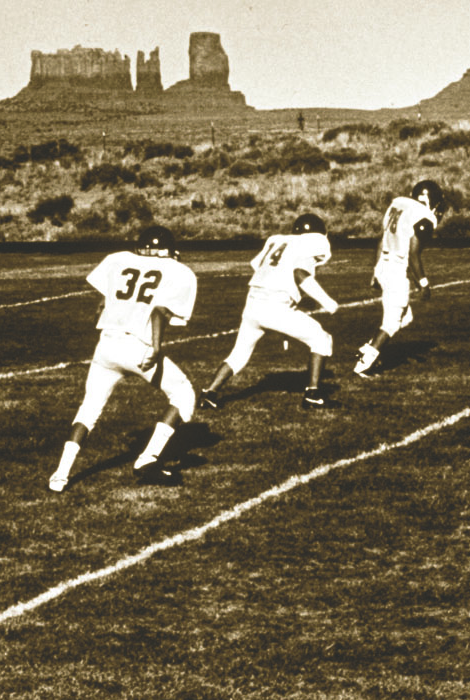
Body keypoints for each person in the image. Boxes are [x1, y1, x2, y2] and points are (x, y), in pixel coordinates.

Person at [48, 224, 200, 492]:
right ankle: (148, 458)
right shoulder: (177, 270)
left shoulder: (118, 260)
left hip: (106, 344)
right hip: (137, 346)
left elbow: (101, 306)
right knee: (184, 394)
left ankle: (60, 475)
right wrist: (155, 348)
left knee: (89, 408)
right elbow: (159, 312)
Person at [198, 212, 339, 411]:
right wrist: (328, 301)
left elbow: (256, 265)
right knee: (321, 339)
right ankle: (313, 394)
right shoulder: (311, 243)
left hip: (253, 302)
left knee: (239, 354)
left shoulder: (278, 240)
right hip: (275, 304)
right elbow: (300, 273)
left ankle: (208, 394)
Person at [352, 179, 444, 377]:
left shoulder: (398, 205)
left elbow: (381, 240)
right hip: (395, 270)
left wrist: (376, 271)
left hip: (385, 264)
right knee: (391, 323)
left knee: (406, 316)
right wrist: (424, 284)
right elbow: (413, 255)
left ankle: (369, 347)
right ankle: (364, 364)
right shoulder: (422, 218)